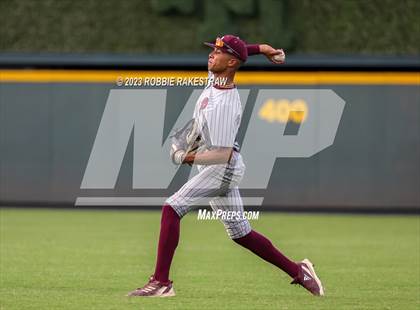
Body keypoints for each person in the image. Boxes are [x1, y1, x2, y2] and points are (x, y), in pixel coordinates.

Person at [127, 35, 324, 297]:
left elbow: (222, 155)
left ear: (230, 63)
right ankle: (299, 272)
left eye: (219, 52)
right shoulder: (215, 77)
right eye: (213, 50)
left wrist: (184, 158)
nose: (211, 55)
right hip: (216, 165)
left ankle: (161, 282)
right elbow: (240, 53)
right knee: (241, 233)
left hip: (223, 169)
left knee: (172, 208)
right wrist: (262, 49)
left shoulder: (225, 104)